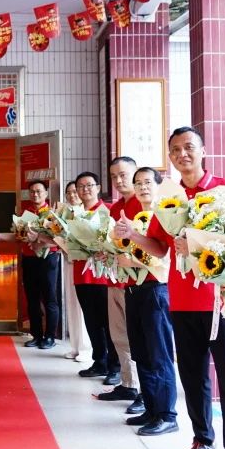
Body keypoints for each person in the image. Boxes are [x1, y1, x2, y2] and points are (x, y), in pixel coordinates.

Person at [119, 127, 225, 449]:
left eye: (189, 147)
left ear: (203, 150)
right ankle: (202, 440)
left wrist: (196, 243)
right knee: (192, 375)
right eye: (175, 149)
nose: (183, 154)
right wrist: (133, 235)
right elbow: (159, 247)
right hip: (182, 300)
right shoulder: (170, 198)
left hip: (220, 300)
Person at [110, 167, 179, 436]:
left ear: (159, 185)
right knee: (141, 352)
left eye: (148, 182)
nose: (142, 187)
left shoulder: (166, 217)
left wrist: (133, 260)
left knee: (159, 354)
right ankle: (151, 409)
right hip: (133, 289)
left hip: (156, 289)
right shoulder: (135, 218)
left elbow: (165, 256)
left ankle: (167, 414)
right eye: (138, 183)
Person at [0, 180, 61, 349]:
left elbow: (59, 240)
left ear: (46, 193)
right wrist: (0, 237)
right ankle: (36, 335)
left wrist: (39, 239)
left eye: (38, 191)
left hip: (48, 260)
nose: (35, 194)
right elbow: (19, 236)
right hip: (29, 260)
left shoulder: (52, 214)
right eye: (32, 192)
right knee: (32, 299)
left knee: (50, 299)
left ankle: (50, 337)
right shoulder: (26, 213)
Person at [70, 171, 120, 380]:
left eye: (89, 185)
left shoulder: (108, 211)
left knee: (109, 323)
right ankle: (99, 362)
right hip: (81, 275)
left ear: (98, 188)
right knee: (91, 322)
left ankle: (115, 366)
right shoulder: (74, 215)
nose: (85, 189)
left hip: (103, 277)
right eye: (80, 186)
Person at [102, 157, 141, 393]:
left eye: (123, 175)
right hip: (115, 278)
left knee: (138, 337)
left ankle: (142, 390)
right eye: (114, 176)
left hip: (137, 282)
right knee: (118, 334)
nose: (118, 180)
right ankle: (128, 383)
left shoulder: (144, 203)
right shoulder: (115, 208)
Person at [61, 181, 92, 362]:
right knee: (71, 303)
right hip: (69, 262)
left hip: (86, 265)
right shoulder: (64, 213)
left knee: (83, 307)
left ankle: (86, 348)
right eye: (69, 192)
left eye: (75, 191)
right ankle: (75, 345)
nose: (72, 195)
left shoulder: (86, 214)